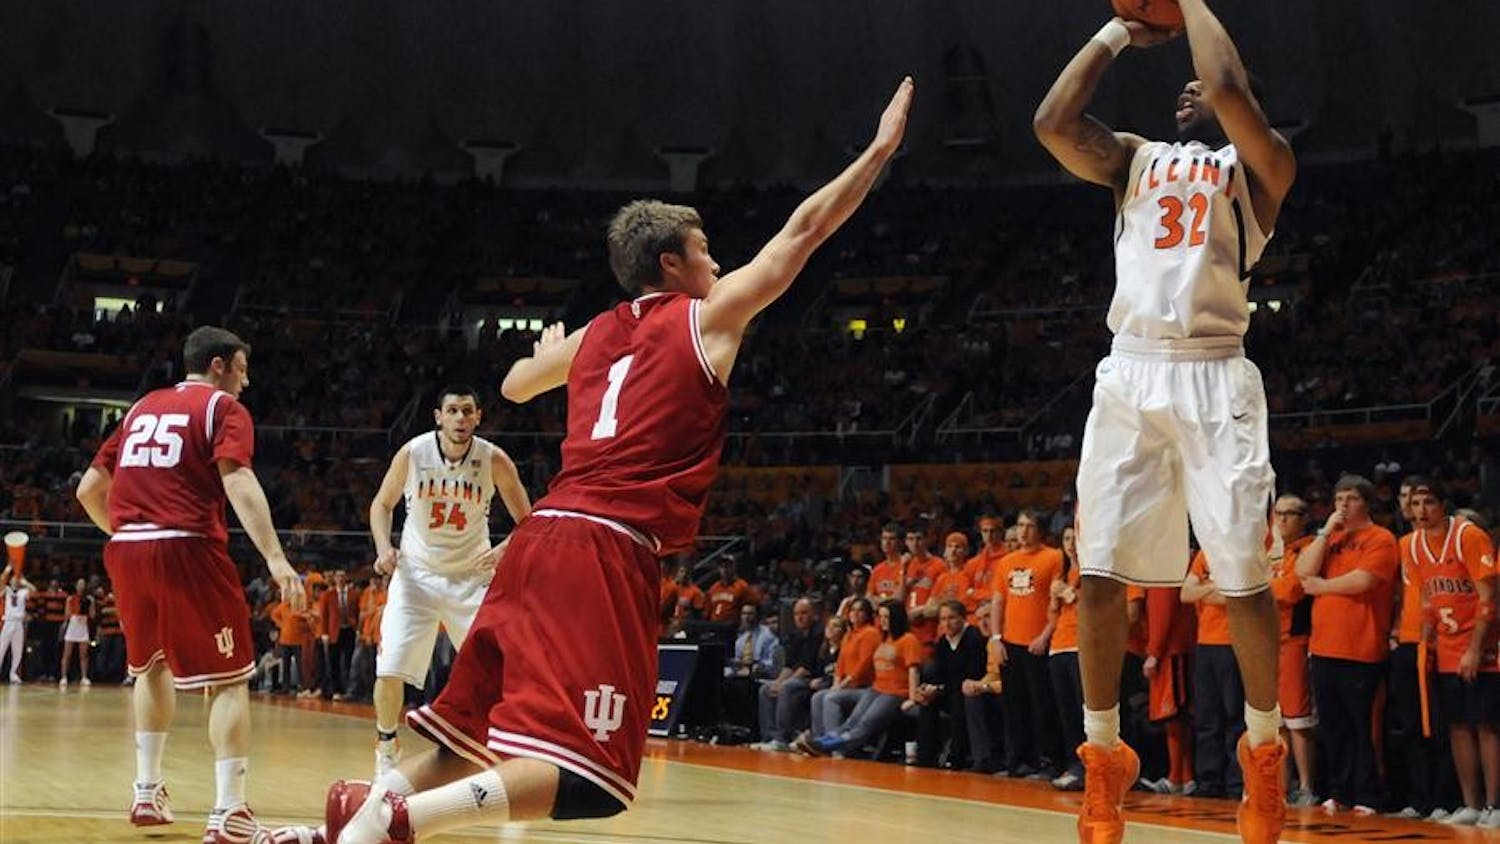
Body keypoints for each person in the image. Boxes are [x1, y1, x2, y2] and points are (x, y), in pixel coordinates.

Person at [319, 78, 913, 844]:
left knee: (466, 731)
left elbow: (512, 384)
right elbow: (802, 233)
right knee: (590, 779)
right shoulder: (709, 318)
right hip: (604, 545)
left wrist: (547, 357)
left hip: (539, 540)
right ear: (672, 263)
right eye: (705, 250)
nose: (717, 260)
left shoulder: (597, 331)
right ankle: (404, 819)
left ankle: (362, 819)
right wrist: (877, 152)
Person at [1033, 0, 1297, 838]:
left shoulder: (1262, 167)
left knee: (1242, 577)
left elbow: (1221, 79)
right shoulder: (1134, 162)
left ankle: (1263, 754)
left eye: (1209, 93)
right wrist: (1117, 31)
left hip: (1216, 375)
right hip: (1131, 373)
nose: (1191, 90)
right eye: (1181, 88)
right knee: (1100, 573)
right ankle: (1105, 754)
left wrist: (1185, 3)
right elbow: (1051, 122)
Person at [75, 325, 305, 842]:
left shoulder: (140, 408)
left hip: (128, 549)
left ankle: (147, 788)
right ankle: (230, 811)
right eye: (242, 369)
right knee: (228, 679)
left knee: (150, 667)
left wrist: (131, 533)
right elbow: (238, 480)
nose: (246, 382)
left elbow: (90, 489)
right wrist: (276, 557)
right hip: (188, 545)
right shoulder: (223, 410)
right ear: (220, 364)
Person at [366, 385, 532, 775]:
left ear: (478, 417)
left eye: (467, 411)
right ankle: (386, 748)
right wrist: (382, 547)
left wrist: (505, 549)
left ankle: (511, 752)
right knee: (389, 669)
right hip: (416, 576)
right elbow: (381, 504)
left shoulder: (495, 460)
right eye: (453, 411)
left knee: (503, 671)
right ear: (438, 417)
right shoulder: (413, 453)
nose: (460, 418)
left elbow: (529, 521)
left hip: (471, 579)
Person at [1295, 475, 1399, 815]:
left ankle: (1369, 793)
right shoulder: (1331, 538)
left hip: (1362, 648)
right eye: (1339, 498)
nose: (1343, 505)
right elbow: (1302, 571)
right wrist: (1325, 531)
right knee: (1333, 726)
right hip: (1324, 646)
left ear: (1366, 502)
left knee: (1363, 726)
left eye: (1351, 498)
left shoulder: (1380, 538)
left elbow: (1364, 581)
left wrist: (1322, 587)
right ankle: (1338, 791)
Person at [1401, 478, 1499, 827]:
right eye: (1414, 504)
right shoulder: (1411, 545)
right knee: (1457, 726)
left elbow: (1489, 599)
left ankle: (1494, 805)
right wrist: (1427, 633)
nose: (1421, 511)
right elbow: (1428, 597)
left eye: (1428, 503)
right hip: (1446, 645)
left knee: (1486, 725)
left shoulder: (1468, 536)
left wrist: (1476, 649)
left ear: (1443, 504)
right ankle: (1471, 803)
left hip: (1483, 644)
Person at [0, 563, 36, 683]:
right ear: (10, 580)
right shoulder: (7, 589)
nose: (15, 580)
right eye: (13, 578)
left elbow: (34, 590)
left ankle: (13, 673)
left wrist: (24, 582)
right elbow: (1, 580)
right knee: (2, 648)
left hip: (19, 623)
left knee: (18, 649)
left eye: (17, 578)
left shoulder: (23, 592)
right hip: (8, 622)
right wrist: (9, 568)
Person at [58, 577, 96, 687]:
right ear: (76, 586)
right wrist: (75, 606)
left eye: (83, 584)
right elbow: (67, 615)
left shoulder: (89, 600)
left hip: (83, 627)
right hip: (73, 626)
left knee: (84, 655)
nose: (81, 586)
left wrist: (91, 604)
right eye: (79, 584)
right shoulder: (70, 599)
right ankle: (63, 677)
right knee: (67, 654)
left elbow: (92, 615)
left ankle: (84, 677)